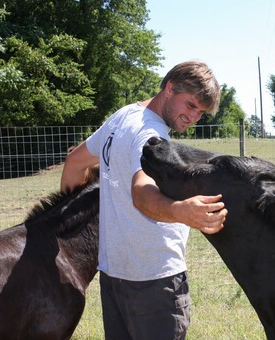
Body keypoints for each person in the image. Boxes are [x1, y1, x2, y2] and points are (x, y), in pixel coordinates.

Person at [60, 61, 228, 340]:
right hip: (155, 280)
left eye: (200, 112)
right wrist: (181, 211)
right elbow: (141, 192)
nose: (193, 117)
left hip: (115, 277)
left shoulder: (124, 117)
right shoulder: (151, 135)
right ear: (170, 88)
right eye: (190, 105)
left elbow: (75, 162)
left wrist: (66, 227)